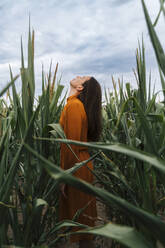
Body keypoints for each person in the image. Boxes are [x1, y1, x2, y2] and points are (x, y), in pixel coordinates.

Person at [59, 76, 102, 248]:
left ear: (81, 87)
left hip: (77, 166)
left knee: (82, 224)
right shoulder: (74, 104)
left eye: (82, 77)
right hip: (79, 165)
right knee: (82, 222)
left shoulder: (75, 106)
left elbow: (72, 146)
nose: (78, 76)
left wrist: (65, 176)